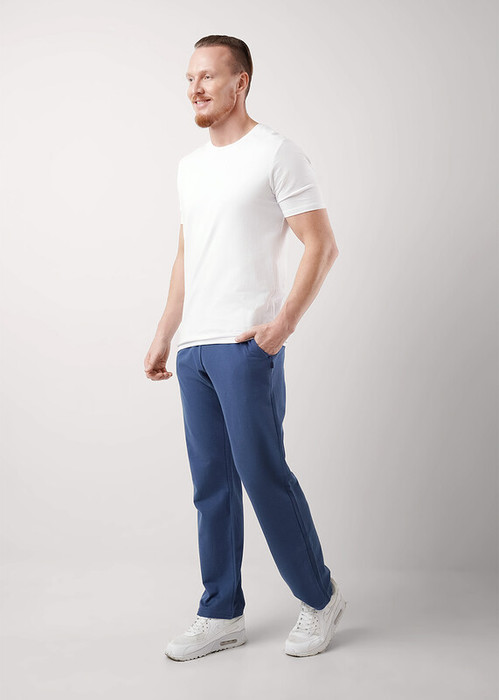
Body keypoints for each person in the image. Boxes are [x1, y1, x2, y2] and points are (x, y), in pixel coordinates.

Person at [144, 34, 347, 661]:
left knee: (262, 474)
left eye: (208, 76)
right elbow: (187, 256)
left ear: (241, 82)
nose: (195, 89)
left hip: (245, 345)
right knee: (211, 484)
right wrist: (166, 333)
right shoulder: (190, 167)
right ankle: (220, 611)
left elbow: (321, 245)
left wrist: (281, 326)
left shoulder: (277, 154)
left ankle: (320, 598)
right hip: (196, 349)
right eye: (189, 78)